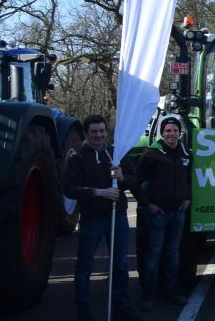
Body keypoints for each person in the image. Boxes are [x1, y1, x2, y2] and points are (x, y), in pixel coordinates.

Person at [61, 115, 140, 321]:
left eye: (102, 131)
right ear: (86, 134)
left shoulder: (115, 153)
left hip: (117, 216)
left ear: (107, 132)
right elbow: (69, 188)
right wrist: (98, 192)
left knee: (120, 266)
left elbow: (134, 181)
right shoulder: (77, 156)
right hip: (92, 219)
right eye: (94, 132)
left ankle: (121, 307)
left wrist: (123, 177)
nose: (99, 135)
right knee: (84, 267)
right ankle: (84, 312)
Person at [134, 117, 192, 311]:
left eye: (174, 130)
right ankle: (149, 295)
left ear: (179, 133)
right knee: (154, 254)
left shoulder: (185, 153)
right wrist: (147, 205)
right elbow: (136, 181)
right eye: (167, 131)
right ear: (162, 133)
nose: (171, 134)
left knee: (173, 254)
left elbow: (189, 179)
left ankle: (170, 291)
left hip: (178, 213)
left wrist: (187, 198)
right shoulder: (151, 154)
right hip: (158, 213)